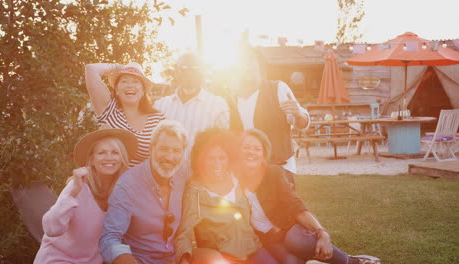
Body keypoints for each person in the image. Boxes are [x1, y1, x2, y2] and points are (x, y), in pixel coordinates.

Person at [238, 129, 381, 264]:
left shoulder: (274, 173)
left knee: (298, 241)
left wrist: (321, 232)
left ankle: (349, 261)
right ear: (239, 150)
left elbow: (295, 204)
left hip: (286, 228)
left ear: (264, 153)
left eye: (257, 149)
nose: (251, 152)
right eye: (247, 147)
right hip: (267, 239)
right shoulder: (234, 177)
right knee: (291, 262)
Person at [34, 128, 138, 264]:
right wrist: (72, 194)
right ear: (92, 159)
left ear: (122, 158)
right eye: (101, 153)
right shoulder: (77, 185)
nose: (109, 157)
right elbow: (51, 228)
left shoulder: (125, 191)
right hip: (57, 259)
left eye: (115, 152)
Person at [175, 129, 278, 264]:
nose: (217, 163)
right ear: (200, 160)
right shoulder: (195, 192)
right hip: (224, 257)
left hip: (253, 248)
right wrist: (185, 259)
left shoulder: (236, 178)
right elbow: (184, 233)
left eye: (222, 158)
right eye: (211, 158)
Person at [99, 120, 188, 264]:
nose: (170, 157)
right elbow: (109, 239)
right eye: (163, 149)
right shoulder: (127, 185)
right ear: (151, 149)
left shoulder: (182, 176)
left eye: (177, 150)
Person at [228, 46, 310, 188]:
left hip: (279, 171)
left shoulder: (278, 89)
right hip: (244, 174)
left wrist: (298, 114)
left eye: (249, 61)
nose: (245, 66)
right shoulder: (231, 99)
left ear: (259, 65)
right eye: (241, 63)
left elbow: (302, 123)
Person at [86, 62, 165, 167]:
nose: (130, 86)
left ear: (143, 91)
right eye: (124, 81)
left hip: (142, 182)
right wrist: (120, 67)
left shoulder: (157, 119)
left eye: (136, 82)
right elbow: (90, 69)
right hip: (110, 181)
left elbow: (163, 157)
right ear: (117, 90)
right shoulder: (109, 110)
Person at [154, 52, 230, 158]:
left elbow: (225, 146)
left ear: (202, 72)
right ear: (176, 72)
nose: (189, 73)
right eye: (183, 68)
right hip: (166, 173)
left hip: (201, 173)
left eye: (195, 68)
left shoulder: (217, 105)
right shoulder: (160, 106)